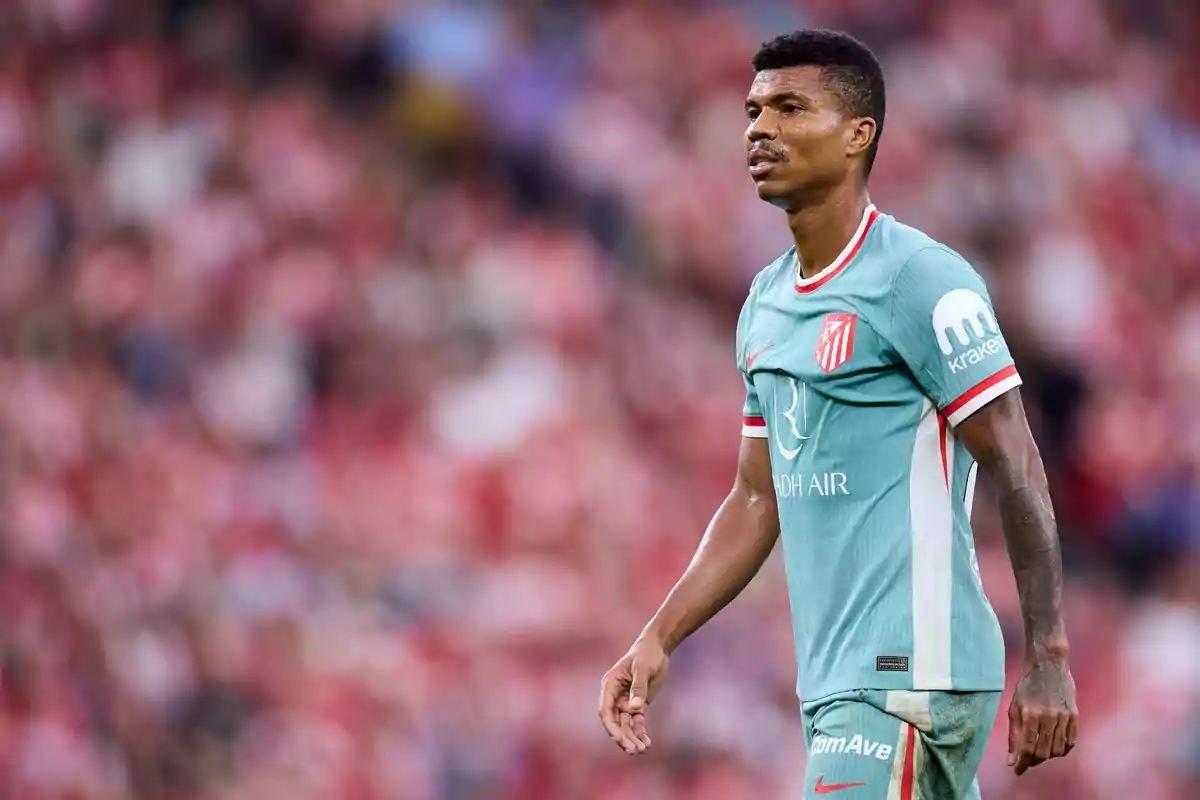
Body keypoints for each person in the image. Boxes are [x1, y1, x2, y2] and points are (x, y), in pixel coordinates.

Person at [598, 29, 1079, 799]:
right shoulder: (764, 303)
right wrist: (660, 634)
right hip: (837, 684)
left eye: (790, 108)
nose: (760, 129)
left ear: (859, 135)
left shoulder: (921, 280)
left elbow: (1016, 461)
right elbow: (758, 494)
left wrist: (1049, 656)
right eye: (754, 111)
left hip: (909, 675)